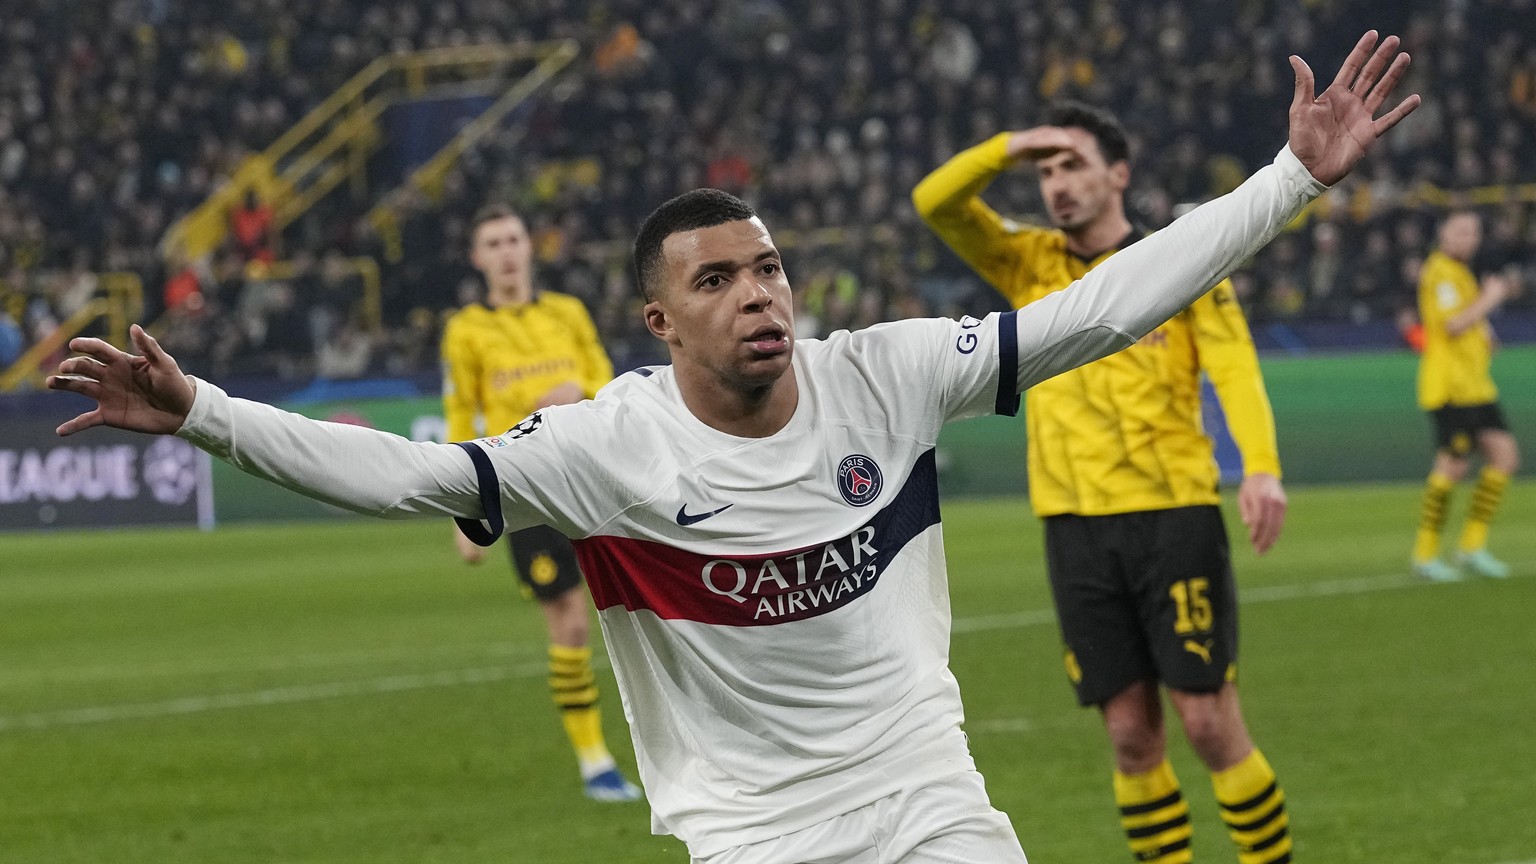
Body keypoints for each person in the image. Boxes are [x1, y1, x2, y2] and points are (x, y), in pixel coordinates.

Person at [47, 33, 1416, 864]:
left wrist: (1289, 178)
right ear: (657, 317)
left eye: (768, 269)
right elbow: (406, 475)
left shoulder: (882, 376)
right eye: (718, 280)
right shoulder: (605, 446)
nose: (758, 292)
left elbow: (1103, 302)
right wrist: (204, 413)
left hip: (927, 796)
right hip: (753, 832)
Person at [916, 97, 1293, 864]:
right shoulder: (1026, 262)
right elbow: (935, 202)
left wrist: (1261, 467)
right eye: (1046, 171)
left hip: (1173, 512)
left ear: (1118, 174)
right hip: (1073, 523)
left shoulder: (1180, 263)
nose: (1056, 184)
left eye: (1073, 165)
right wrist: (1009, 145)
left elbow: (1234, 365)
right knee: (1128, 733)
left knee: (1209, 722)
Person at [441, 203, 640, 801]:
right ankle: (594, 760)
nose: (505, 251)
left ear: (530, 247)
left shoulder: (568, 313)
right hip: (524, 486)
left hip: (592, 476)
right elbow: (460, 417)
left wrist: (574, 391)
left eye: (513, 239)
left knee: (640, 609)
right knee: (571, 621)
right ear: (478, 259)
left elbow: (605, 382)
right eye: (493, 243)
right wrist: (462, 511)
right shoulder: (466, 331)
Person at [1411, 210, 1521, 581]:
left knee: (1504, 456)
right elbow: (1453, 324)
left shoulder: (1461, 274)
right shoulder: (1438, 271)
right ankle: (1425, 554)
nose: (1468, 238)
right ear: (1444, 233)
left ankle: (1472, 547)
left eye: (1474, 231)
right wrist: (1490, 299)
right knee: (1453, 467)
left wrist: (1485, 334)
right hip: (1451, 389)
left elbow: (1467, 321)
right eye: (1461, 231)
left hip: (1478, 386)